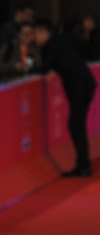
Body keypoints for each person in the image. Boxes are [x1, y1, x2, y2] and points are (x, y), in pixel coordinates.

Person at [34, 19, 97, 177]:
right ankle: (83, 164)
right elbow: (83, 48)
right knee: (76, 124)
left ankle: (83, 166)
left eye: (35, 34)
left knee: (76, 125)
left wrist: (27, 68)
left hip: (80, 88)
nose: (35, 39)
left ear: (43, 32)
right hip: (84, 85)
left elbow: (44, 66)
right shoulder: (61, 39)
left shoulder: (53, 44)